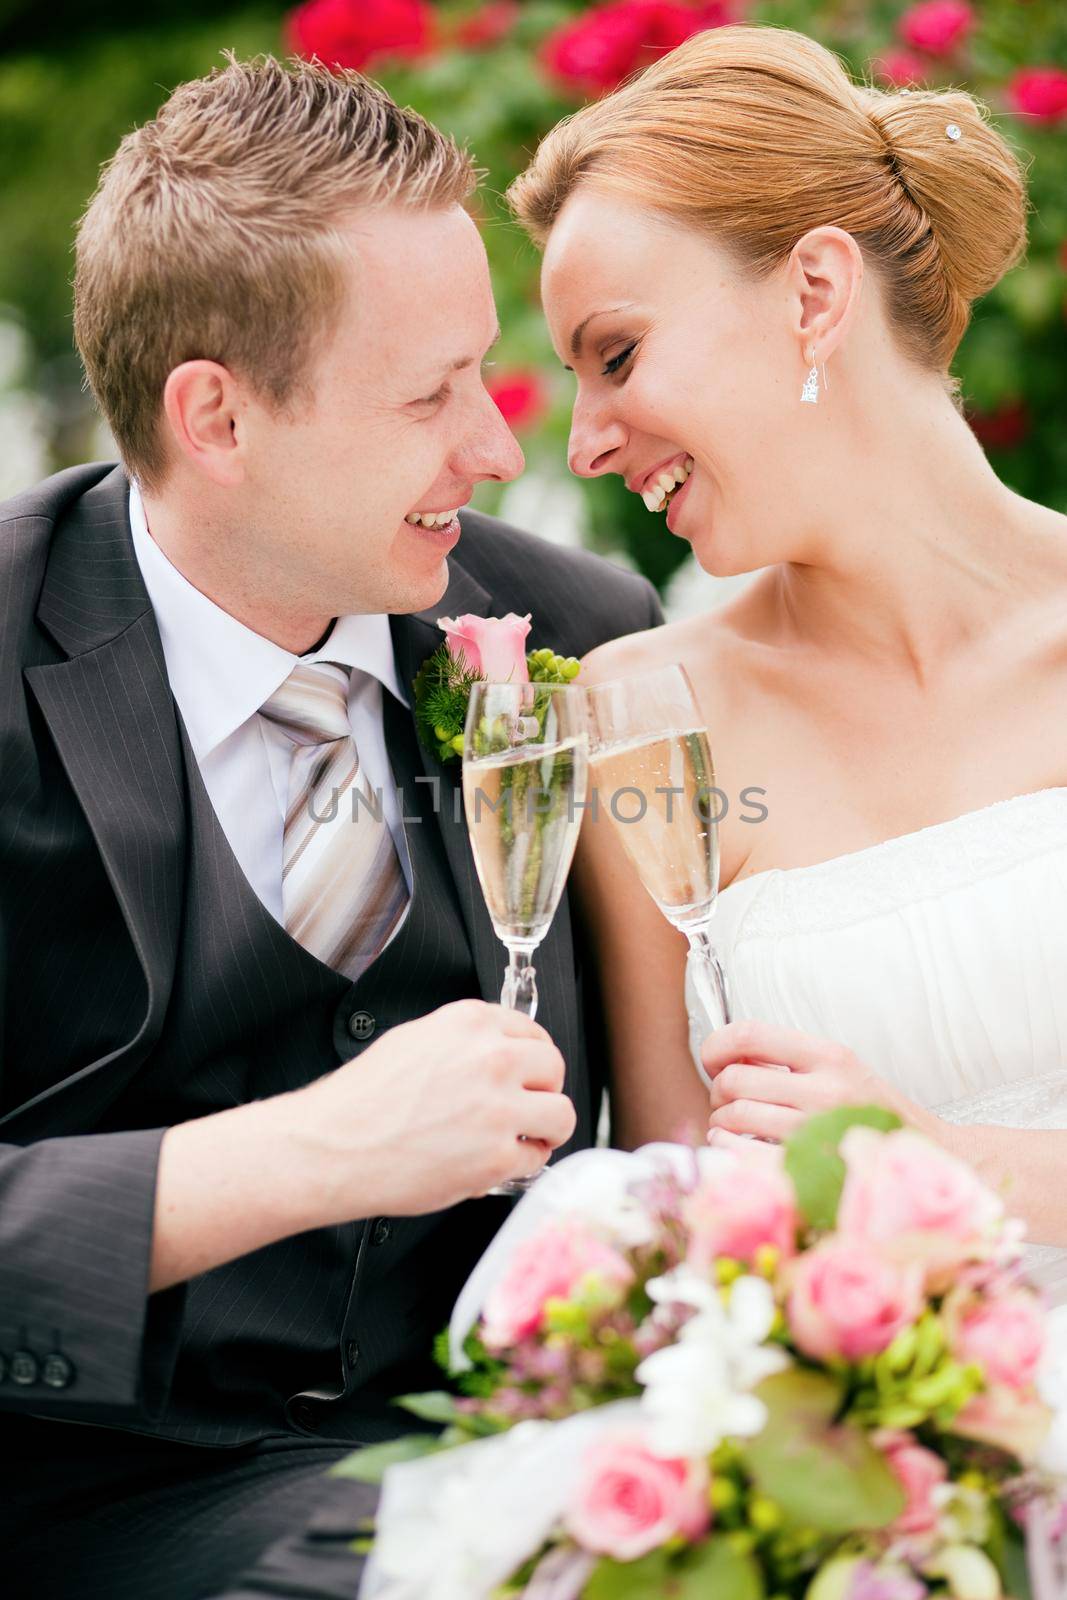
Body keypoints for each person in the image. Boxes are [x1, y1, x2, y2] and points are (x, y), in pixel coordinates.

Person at [0, 53, 662, 1598]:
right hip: (69, 1502)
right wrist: (308, 1153)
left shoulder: (574, 628)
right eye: (429, 395)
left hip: (494, 1458)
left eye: (481, 376)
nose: (499, 451)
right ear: (216, 416)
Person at [508, 24, 1067, 1298]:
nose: (586, 440)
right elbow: (679, 1216)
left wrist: (933, 1163)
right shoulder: (641, 720)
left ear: (814, 293)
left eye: (617, 354)